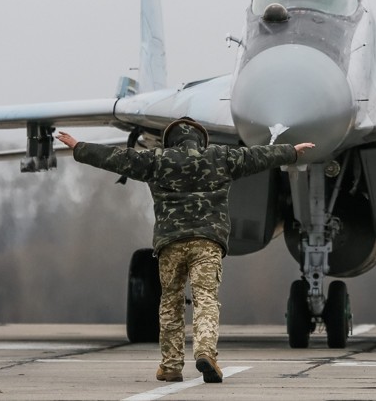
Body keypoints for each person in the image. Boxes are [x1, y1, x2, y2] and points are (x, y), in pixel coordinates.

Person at [55, 118, 314, 384]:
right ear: (201, 138)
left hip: (171, 244)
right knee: (206, 299)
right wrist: (292, 151)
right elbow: (257, 157)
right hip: (207, 243)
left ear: (172, 139)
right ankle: (205, 352)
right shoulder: (221, 157)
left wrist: (79, 147)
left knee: (171, 302)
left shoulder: (157, 160)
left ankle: (170, 366)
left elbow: (118, 157)